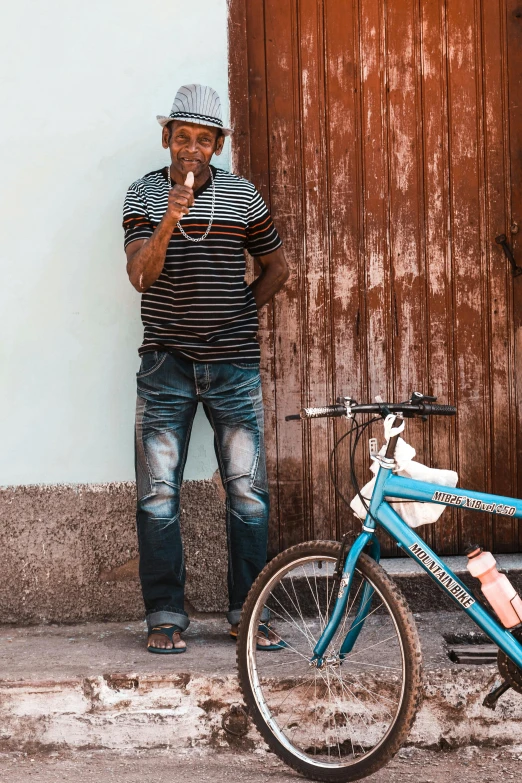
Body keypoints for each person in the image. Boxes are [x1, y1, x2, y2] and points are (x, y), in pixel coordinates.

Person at [123, 84, 289, 653]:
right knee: (157, 495)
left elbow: (277, 267)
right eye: (183, 137)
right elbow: (140, 276)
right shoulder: (143, 195)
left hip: (234, 368)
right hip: (164, 365)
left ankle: (248, 611)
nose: (192, 148)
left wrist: (239, 311)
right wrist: (170, 217)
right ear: (167, 138)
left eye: (204, 139)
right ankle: (165, 614)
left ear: (217, 145)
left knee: (247, 493)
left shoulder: (244, 197)